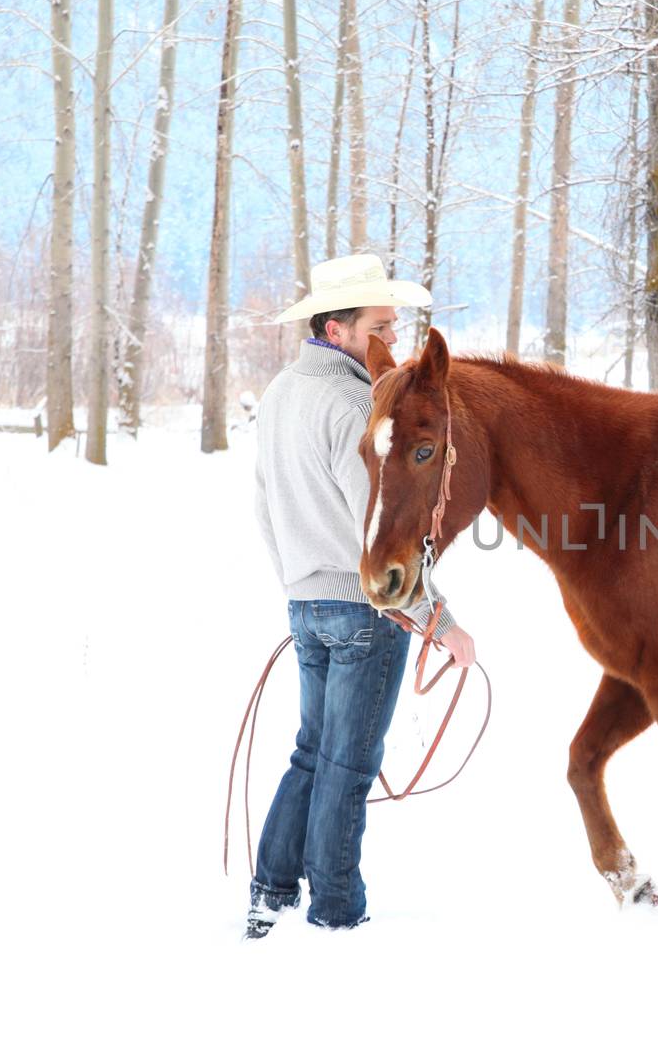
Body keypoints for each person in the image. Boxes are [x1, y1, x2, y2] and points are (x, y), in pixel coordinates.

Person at [246, 254, 476, 939]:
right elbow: (381, 532)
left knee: (312, 753)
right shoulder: (355, 403)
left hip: (306, 601)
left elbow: (264, 504)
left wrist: (299, 580)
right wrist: (441, 622)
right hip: (363, 610)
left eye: (393, 325)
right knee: (347, 766)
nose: (391, 337)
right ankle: (336, 912)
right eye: (379, 325)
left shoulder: (284, 390)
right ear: (337, 327)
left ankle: (272, 893)